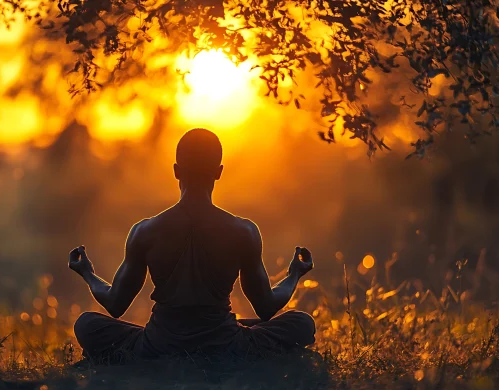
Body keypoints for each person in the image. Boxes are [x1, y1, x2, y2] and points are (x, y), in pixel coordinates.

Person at [68, 128, 316, 362]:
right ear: (219, 171)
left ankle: (147, 356)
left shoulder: (145, 231)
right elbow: (266, 308)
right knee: (301, 324)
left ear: (176, 170)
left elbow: (115, 304)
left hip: (158, 345)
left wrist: (88, 273)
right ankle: (229, 338)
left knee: (87, 324)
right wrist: (294, 274)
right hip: (225, 344)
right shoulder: (243, 231)